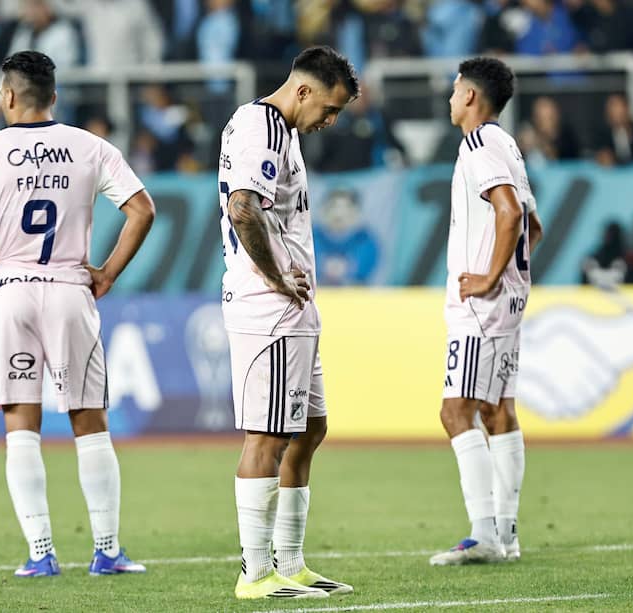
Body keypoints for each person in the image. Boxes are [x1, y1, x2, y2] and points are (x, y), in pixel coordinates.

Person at [0, 50, 155, 578]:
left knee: (20, 424)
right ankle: (106, 551)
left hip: (8, 289)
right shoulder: (88, 146)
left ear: (6, 96)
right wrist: (109, 272)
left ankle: (40, 554)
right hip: (70, 287)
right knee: (88, 421)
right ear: (54, 97)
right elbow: (142, 209)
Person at [218, 45, 358, 599]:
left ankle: (291, 563)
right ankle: (255, 575)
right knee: (269, 435)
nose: (331, 120)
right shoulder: (264, 128)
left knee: (310, 428)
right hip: (269, 307)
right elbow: (243, 208)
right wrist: (278, 279)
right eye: (329, 108)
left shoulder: (284, 132)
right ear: (302, 90)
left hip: (292, 308)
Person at [431, 57, 544, 566]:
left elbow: (510, 212)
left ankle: (483, 534)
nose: (451, 97)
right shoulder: (508, 147)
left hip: (482, 304)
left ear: (471, 95)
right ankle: (507, 533)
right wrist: (511, 278)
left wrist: (489, 276)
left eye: (456, 88)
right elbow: (531, 227)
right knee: (499, 411)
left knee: (456, 411)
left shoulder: (478, 144)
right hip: (509, 303)